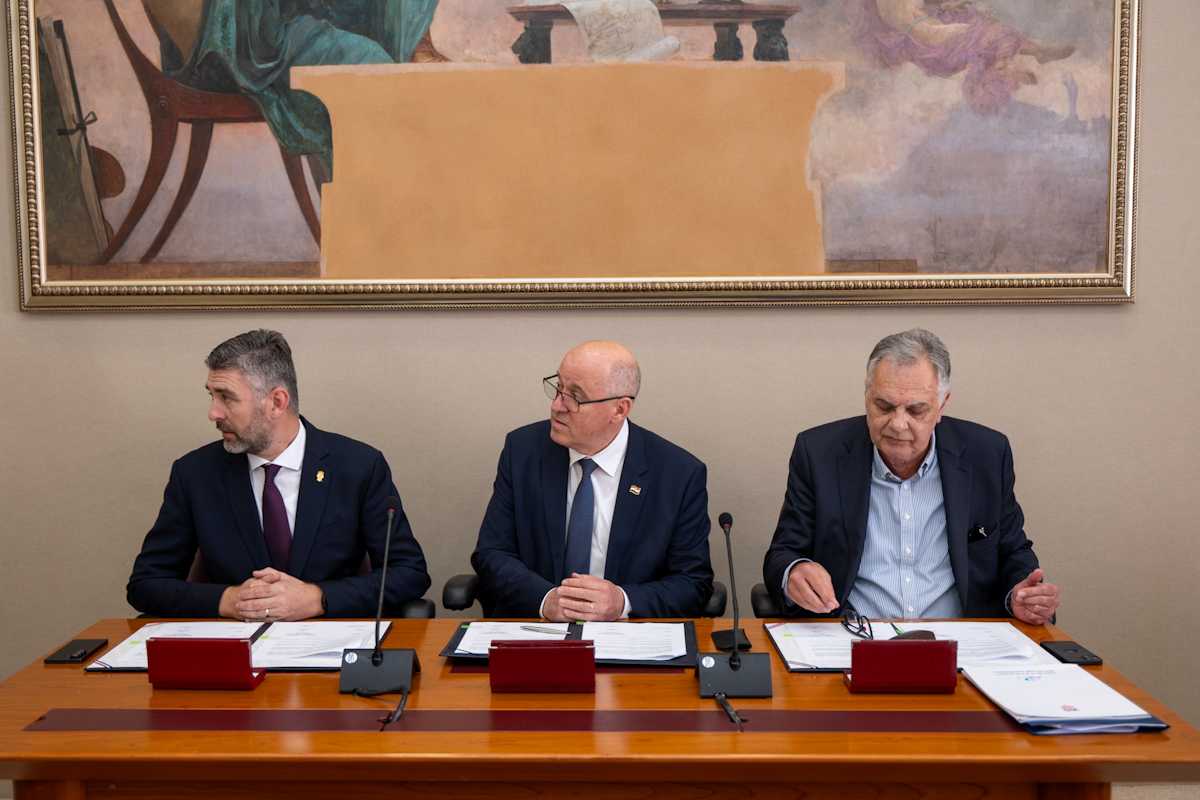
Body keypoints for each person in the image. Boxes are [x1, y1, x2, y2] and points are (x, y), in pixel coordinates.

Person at [763, 328, 1060, 624]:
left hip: (960, 639)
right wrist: (795, 571)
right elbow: (783, 553)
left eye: (916, 410)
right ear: (867, 396)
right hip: (854, 635)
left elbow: (1013, 551)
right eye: (884, 406)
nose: (898, 424)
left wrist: (1021, 596)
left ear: (942, 405)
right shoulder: (818, 454)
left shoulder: (987, 455)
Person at [127, 329, 429, 619]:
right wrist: (228, 600)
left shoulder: (358, 466)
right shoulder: (195, 474)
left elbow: (409, 573)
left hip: (330, 640)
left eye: (226, 397)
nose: (213, 413)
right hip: (235, 644)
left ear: (277, 402)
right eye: (211, 395)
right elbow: (145, 584)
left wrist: (318, 598)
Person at [471, 341, 714, 620]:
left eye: (575, 396)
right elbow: (491, 553)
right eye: (559, 388)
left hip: (628, 634)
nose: (557, 406)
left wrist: (622, 602)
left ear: (619, 409)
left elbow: (692, 583)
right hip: (536, 626)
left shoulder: (678, 474)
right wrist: (546, 600)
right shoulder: (523, 451)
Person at [858, 0, 1075, 114]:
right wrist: (962, 30)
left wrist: (948, 5)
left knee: (986, 27)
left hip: (934, 28)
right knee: (987, 32)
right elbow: (921, 32)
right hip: (930, 49)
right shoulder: (891, 5)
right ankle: (1015, 61)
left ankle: (1023, 57)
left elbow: (928, 5)